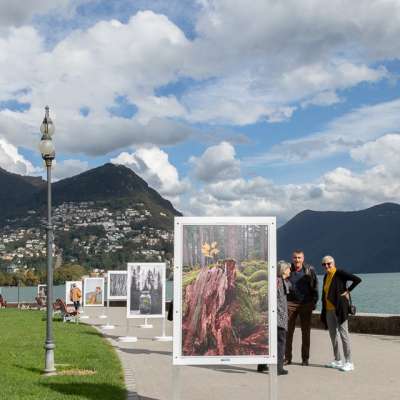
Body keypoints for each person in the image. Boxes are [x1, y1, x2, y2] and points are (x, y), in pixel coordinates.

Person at [320, 255, 361, 372]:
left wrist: (348, 291)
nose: (327, 266)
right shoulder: (326, 276)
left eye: (329, 264)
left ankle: (349, 361)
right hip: (328, 310)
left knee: (344, 335)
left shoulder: (339, 273)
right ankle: (338, 360)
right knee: (333, 335)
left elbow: (357, 279)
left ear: (333, 263)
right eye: (324, 264)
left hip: (339, 309)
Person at [285, 250, 318, 366]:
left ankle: (305, 359)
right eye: (295, 258)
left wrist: (314, 302)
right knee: (288, 332)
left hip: (306, 303)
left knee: (306, 332)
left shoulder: (309, 270)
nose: (297, 260)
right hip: (290, 303)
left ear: (303, 259)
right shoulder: (288, 269)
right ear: (292, 258)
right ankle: (287, 358)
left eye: (299, 258)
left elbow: (315, 286)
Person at [257, 260, 291, 375]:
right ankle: (279, 367)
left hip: (274, 315)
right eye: (288, 269)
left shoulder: (277, 280)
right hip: (278, 316)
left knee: (268, 341)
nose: (290, 270)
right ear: (283, 270)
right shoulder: (279, 281)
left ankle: (261, 364)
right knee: (280, 342)